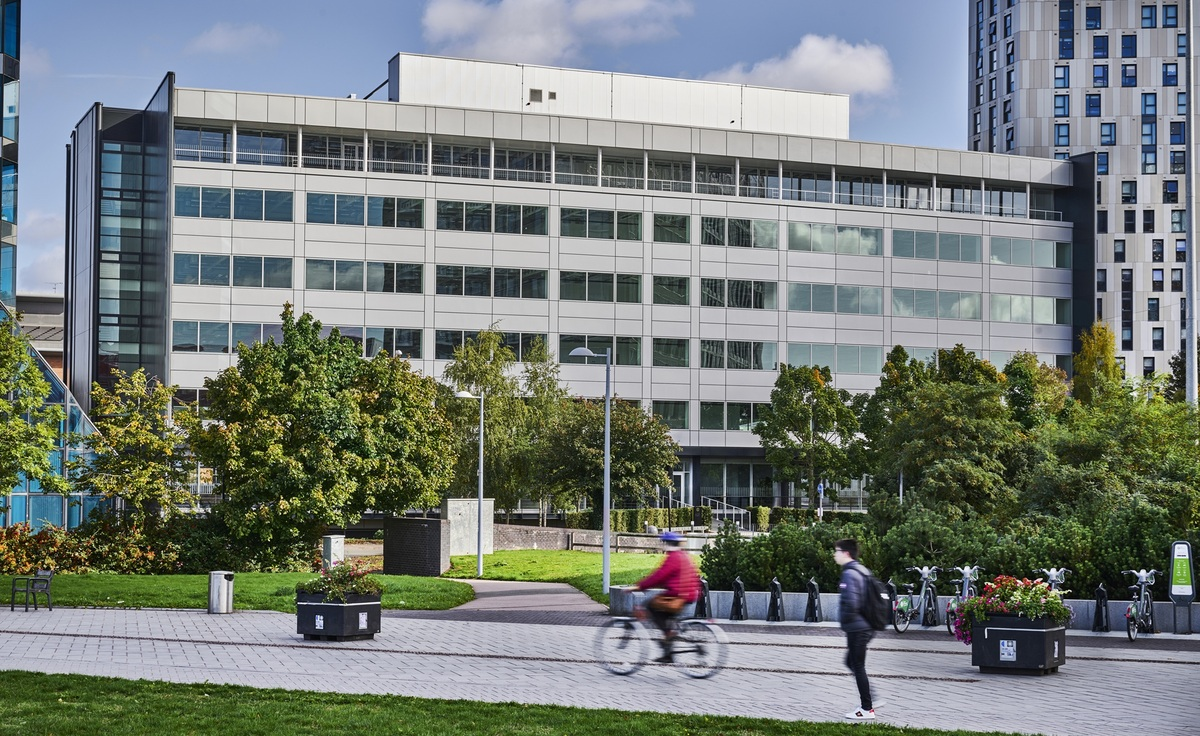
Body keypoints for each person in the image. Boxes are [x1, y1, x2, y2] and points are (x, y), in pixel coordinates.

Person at [634, 531, 700, 663]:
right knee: (666, 618)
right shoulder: (683, 555)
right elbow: (670, 577)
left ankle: (668, 636)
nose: (663, 546)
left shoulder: (673, 557)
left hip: (679, 596)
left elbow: (659, 575)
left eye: (664, 543)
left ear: (668, 544)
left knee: (650, 606)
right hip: (688, 594)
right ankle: (668, 653)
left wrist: (640, 586)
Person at [835, 538, 876, 721]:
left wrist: (846, 621)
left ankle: (867, 708)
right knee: (851, 662)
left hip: (857, 628)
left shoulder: (850, 574)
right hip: (865, 626)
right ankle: (871, 700)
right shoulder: (861, 570)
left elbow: (852, 603)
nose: (835, 555)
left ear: (846, 553)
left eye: (837, 551)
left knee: (857, 665)